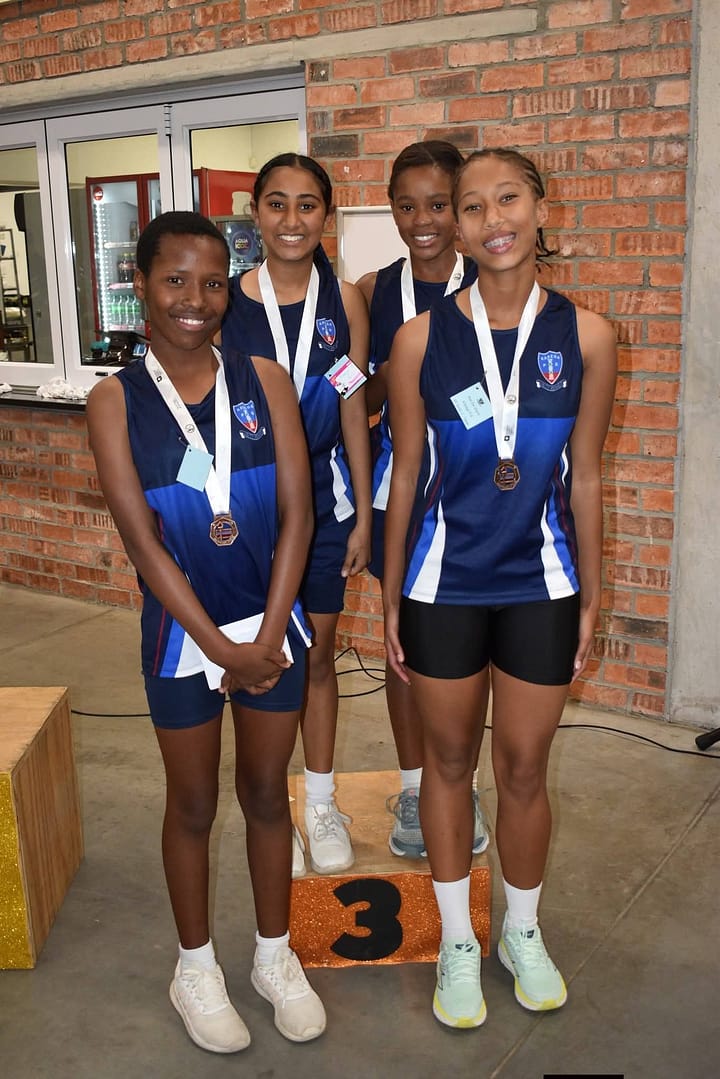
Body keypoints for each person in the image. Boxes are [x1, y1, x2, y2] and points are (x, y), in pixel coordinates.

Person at [382, 149, 617, 1028]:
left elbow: (586, 476)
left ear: (540, 206)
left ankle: (520, 929)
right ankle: (456, 939)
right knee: (449, 764)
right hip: (442, 584)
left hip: (541, 584)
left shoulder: (588, 336)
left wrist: (591, 592)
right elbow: (407, 474)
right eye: (472, 206)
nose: (492, 219)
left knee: (522, 767)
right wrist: (391, 595)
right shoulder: (419, 339)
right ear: (458, 226)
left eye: (507, 198)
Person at [86, 211, 326, 1053]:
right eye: (175, 280)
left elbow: (299, 514)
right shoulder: (114, 401)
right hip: (183, 637)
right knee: (191, 803)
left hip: (273, 628)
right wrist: (223, 650)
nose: (195, 298)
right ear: (141, 286)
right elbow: (143, 544)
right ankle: (194, 967)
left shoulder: (265, 379)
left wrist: (266, 634)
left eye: (214, 282)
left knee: (265, 794)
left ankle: (273, 955)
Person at [221, 153, 372, 877]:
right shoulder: (226, 302)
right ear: (255, 212)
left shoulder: (346, 302)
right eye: (276, 203)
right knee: (259, 654)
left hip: (327, 499)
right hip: (250, 504)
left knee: (316, 654)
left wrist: (364, 513)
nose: (291, 219)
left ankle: (319, 800)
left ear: (326, 216)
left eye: (307, 204)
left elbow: (352, 408)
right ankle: (269, 802)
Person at [356, 140, 487, 860]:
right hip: (400, 491)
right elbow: (354, 393)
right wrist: (392, 369)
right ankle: (416, 785)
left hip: (479, 493)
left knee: (476, 644)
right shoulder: (372, 292)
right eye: (406, 206)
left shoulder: (492, 277)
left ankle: (462, 782)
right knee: (404, 643)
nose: (423, 221)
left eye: (439, 204)